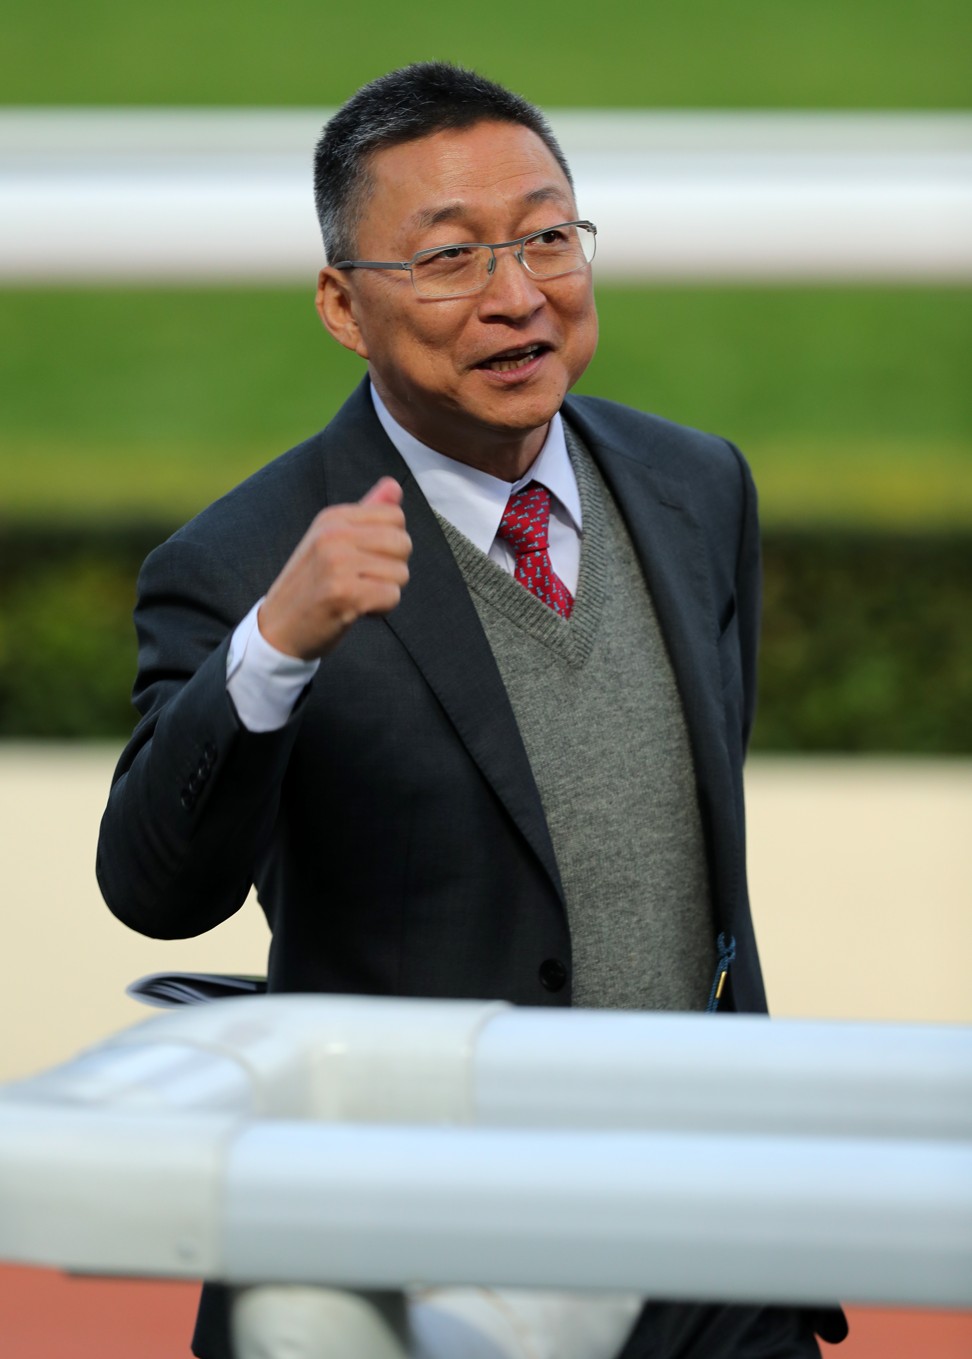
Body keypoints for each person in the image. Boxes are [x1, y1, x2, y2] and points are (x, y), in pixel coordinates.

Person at [97, 62, 845, 1359]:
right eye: (449, 260)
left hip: (713, 1245)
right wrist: (276, 649)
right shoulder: (244, 565)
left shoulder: (698, 487)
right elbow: (157, 886)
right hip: (424, 1267)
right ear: (344, 304)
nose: (517, 296)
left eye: (548, 237)